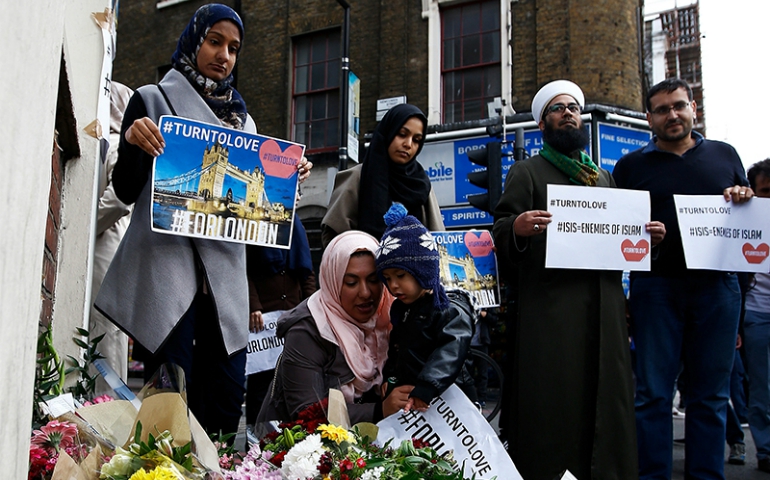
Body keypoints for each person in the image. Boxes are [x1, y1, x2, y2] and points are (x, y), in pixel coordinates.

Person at [94, 4, 311, 436]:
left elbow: (262, 216)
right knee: (167, 408)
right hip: (168, 274)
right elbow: (125, 190)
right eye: (215, 41)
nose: (224, 55)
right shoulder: (151, 99)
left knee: (226, 407)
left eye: (234, 48)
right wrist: (135, 143)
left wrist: (289, 178)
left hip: (225, 286)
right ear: (195, 41)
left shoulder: (244, 121)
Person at [493, 80, 650, 480]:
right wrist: (518, 228)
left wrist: (649, 237)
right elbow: (499, 233)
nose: (568, 113)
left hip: (605, 310)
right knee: (554, 400)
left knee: (607, 398)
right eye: (558, 108)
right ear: (543, 124)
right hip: (551, 312)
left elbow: (621, 239)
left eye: (574, 108)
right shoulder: (526, 172)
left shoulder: (603, 178)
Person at [613, 77, 753, 480]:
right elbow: (618, 230)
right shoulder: (630, 166)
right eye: (662, 109)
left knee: (710, 396)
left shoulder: (726, 155)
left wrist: (743, 195)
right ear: (648, 118)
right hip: (656, 288)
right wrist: (643, 235)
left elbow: (744, 216)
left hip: (718, 287)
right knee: (653, 395)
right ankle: (652, 476)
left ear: (694, 108)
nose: (672, 114)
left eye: (678, 105)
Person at [257, 230, 412, 424]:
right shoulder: (307, 331)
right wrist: (380, 410)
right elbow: (307, 412)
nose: (365, 293)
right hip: (307, 446)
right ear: (333, 281)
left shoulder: (391, 316)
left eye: (373, 280)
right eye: (351, 282)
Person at [375, 203, 475, 411]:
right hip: (416, 400)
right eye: (387, 278)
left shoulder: (449, 309)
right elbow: (397, 350)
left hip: (449, 402)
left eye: (400, 276)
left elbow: (451, 351)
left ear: (423, 270)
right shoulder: (401, 309)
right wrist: (390, 378)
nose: (393, 285)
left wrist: (427, 386)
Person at [321, 103, 444, 247]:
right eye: (402, 134)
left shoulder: (421, 184)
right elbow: (333, 236)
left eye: (416, 140)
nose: (408, 144)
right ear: (388, 132)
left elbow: (438, 240)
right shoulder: (357, 177)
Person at [244, 217, 317, 427]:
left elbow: (306, 270)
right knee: (261, 385)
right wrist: (253, 305)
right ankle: (256, 441)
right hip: (263, 319)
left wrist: (310, 306)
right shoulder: (254, 223)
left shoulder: (297, 227)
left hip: (293, 314)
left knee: (292, 380)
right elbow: (245, 268)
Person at [89, 81, 133, 394]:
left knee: (105, 337)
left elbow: (119, 199)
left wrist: (83, 229)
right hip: (112, 249)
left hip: (106, 247)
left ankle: (109, 419)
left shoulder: (116, 144)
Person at [742, 158, 770, 473]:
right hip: (757, 313)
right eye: (766, 191)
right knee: (761, 387)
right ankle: (766, 451)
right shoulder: (745, 218)